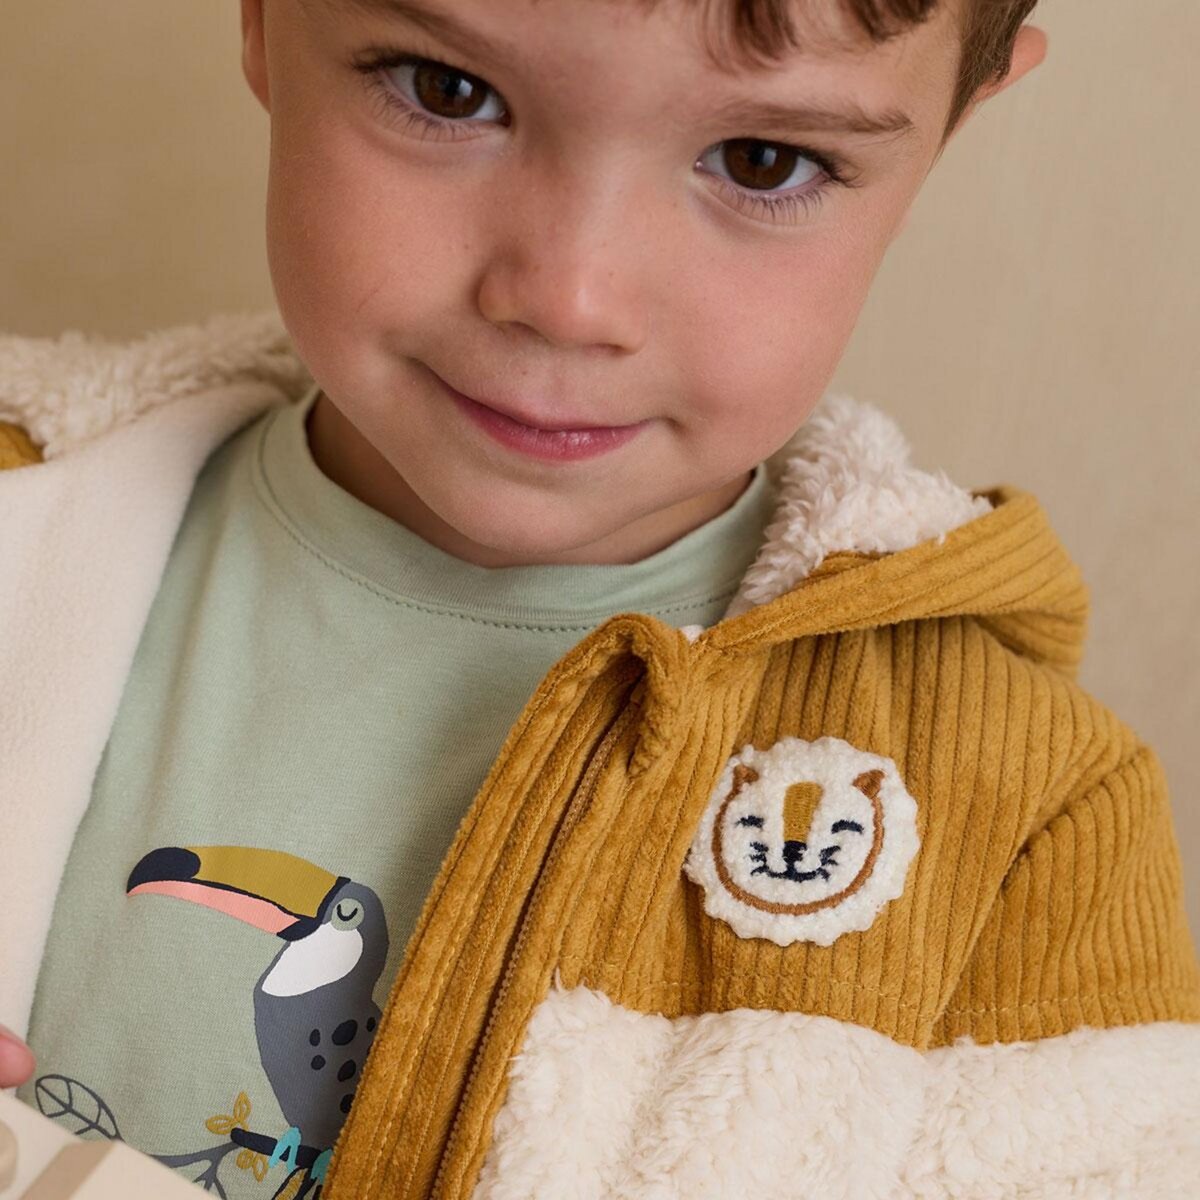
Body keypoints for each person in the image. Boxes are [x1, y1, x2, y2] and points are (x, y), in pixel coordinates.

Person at [2, 0, 1197, 1196]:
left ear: (946, 131)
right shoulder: (27, 521)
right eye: (444, 89)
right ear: (263, 21)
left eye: (760, 162)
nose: (568, 297)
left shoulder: (1035, 819)